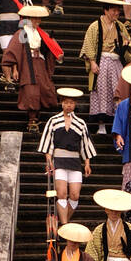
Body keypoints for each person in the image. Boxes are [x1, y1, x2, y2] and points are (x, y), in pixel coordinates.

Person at [38, 88, 96, 229]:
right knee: (62, 193)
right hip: (59, 159)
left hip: (75, 161)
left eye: (71, 103)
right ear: (62, 103)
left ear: (75, 104)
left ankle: (64, 223)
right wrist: (49, 160)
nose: (69, 105)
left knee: (75, 195)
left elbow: (85, 144)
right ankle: (64, 224)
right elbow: (48, 143)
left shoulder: (80, 123)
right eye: (66, 102)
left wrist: (87, 163)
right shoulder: (54, 120)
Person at [2, 4, 59, 135]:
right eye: (34, 19)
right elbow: (15, 50)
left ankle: (36, 117)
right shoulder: (22, 32)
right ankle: (32, 119)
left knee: (43, 88)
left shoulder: (41, 33)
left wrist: (54, 48)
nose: (37, 21)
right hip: (27, 62)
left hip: (40, 61)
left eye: (39, 19)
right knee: (31, 90)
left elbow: (49, 47)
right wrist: (14, 68)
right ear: (29, 18)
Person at [80, 0, 131, 135]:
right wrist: (92, 62)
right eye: (113, 10)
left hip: (116, 62)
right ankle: (101, 124)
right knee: (102, 92)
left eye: (118, 10)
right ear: (106, 10)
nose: (117, 13)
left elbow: (128, 43)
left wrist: (127, 44)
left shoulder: (120, 26)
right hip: (101, 61)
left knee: (118, 91)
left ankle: (118, 124)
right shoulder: (95, 26)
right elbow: (89, 44)